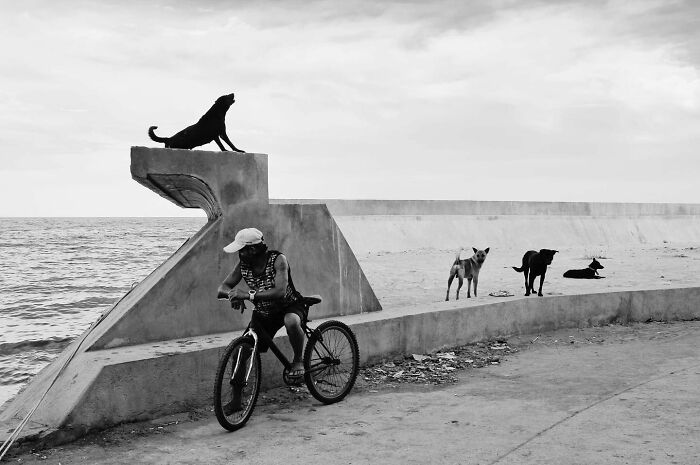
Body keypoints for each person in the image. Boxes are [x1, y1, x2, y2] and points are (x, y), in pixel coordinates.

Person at [217, 227, 306, 413]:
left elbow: (280, 291)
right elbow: (222, 288)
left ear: (253, 249)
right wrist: (233, 295)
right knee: (240, 352)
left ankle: (298, 360)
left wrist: (247, 296)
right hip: (264, 313)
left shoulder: (278, 260)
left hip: (288, 306)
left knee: (291, 322)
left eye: (242, 250)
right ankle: (236, 400)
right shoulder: (243, 265)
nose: (239, 254)